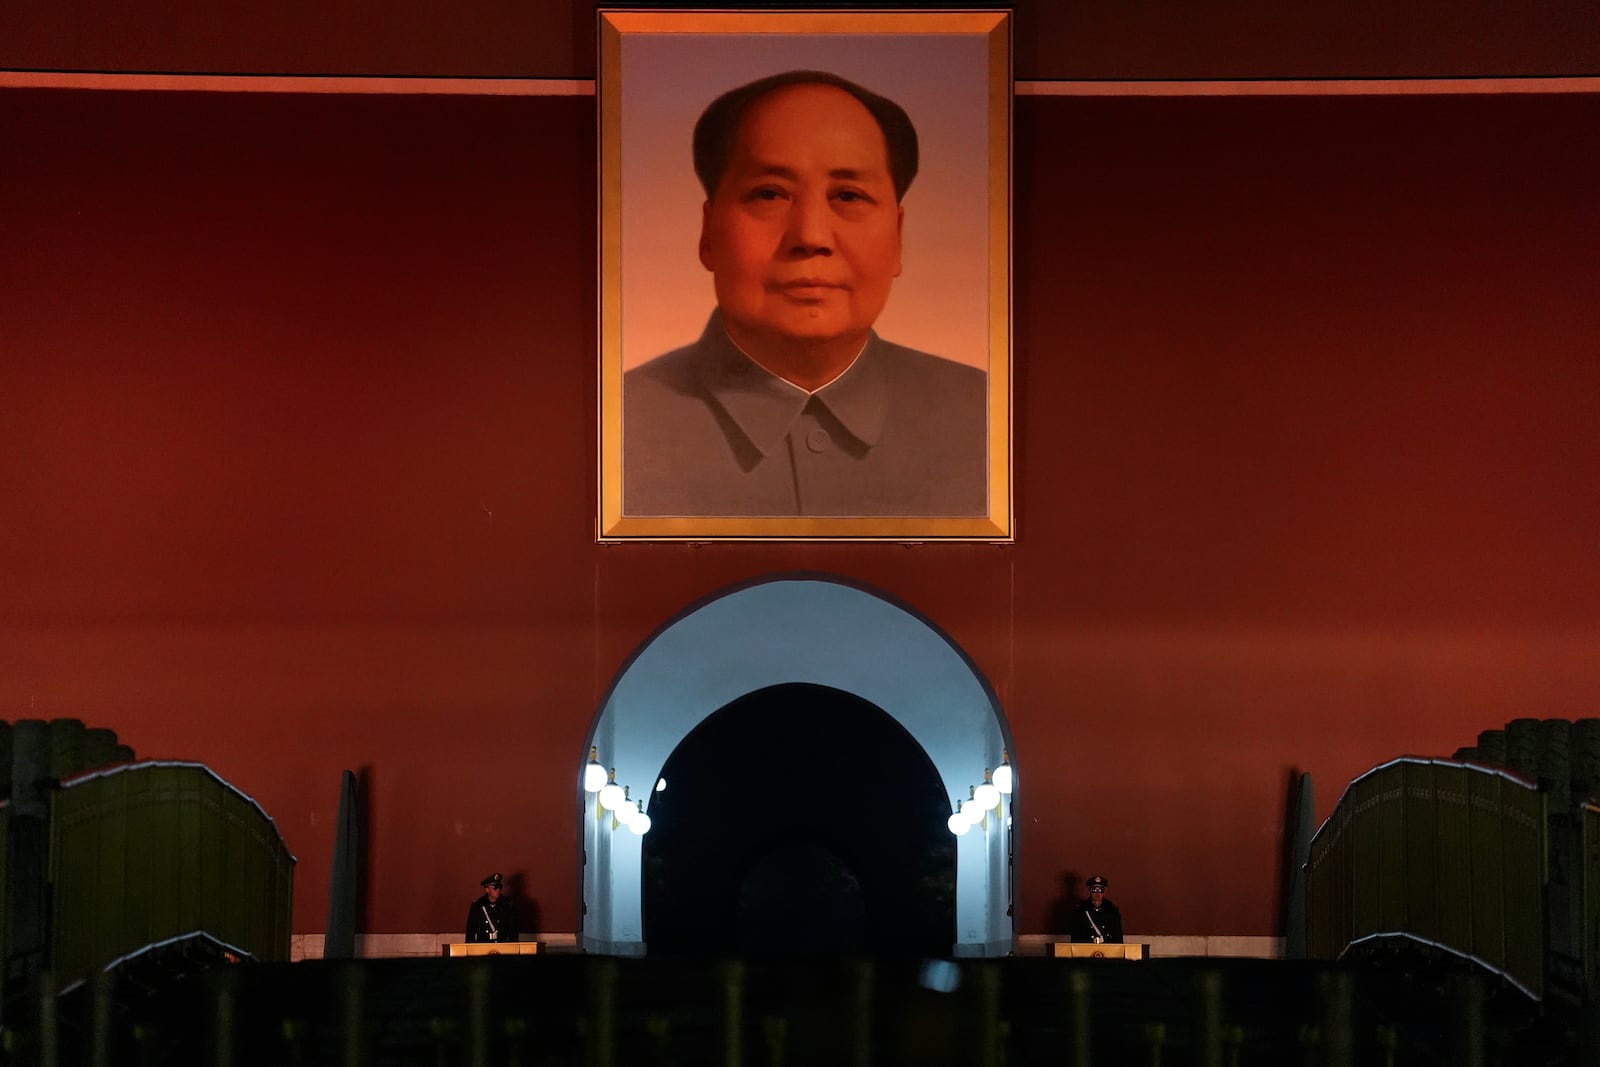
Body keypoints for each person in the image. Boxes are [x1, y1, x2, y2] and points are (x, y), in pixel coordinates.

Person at [623, 69, 988, 518]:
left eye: (849, 196)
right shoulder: (618, 423)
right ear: (708, 233)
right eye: (770, 194)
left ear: (897, 237)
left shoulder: (988, 418)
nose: (811, 235)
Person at [464, 872, 519, 944]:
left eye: (500, 887)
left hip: (502, 948)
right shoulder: (478, 906)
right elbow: (470, 933)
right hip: (483, 948)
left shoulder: (507, 906)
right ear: (487, 889)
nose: (498, 890)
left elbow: (513, 933)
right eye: (495, 887)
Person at [1070, 874, 1124, 944]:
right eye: (1094, 890)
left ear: (1104, 891)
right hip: (1086, 948)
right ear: (1089, 890)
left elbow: (1117, 937)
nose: (1097, 893)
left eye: (1100, 890)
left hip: (1107, 949)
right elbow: (1075, 937)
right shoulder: (1081, 910)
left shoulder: (1112, 910)